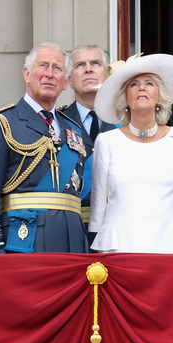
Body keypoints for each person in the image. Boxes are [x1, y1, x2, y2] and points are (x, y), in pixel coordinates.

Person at [0, 42, 89, 254]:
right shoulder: (1, 124)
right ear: (27, 74)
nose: (49, 74)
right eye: (43, 66)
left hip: (73, 246)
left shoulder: (75, 131)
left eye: (57, 68)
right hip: (23, 244)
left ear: (66, 82)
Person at [90, 53, 173, 253]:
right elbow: (99, 206)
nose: (141, 88)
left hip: (170, 248)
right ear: (125, 98)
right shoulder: (107, 141)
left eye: (149, 83)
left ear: (159, 95)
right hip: (121, 250)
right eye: (133, 84)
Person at [59, 44, 117, 242]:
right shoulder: (56, 124)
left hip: (116, 233)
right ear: (70, 80)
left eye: (95, 63)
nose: (88, 69)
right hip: (69, 231)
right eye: (80, 65)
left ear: (107, 76)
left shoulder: (125, 125)